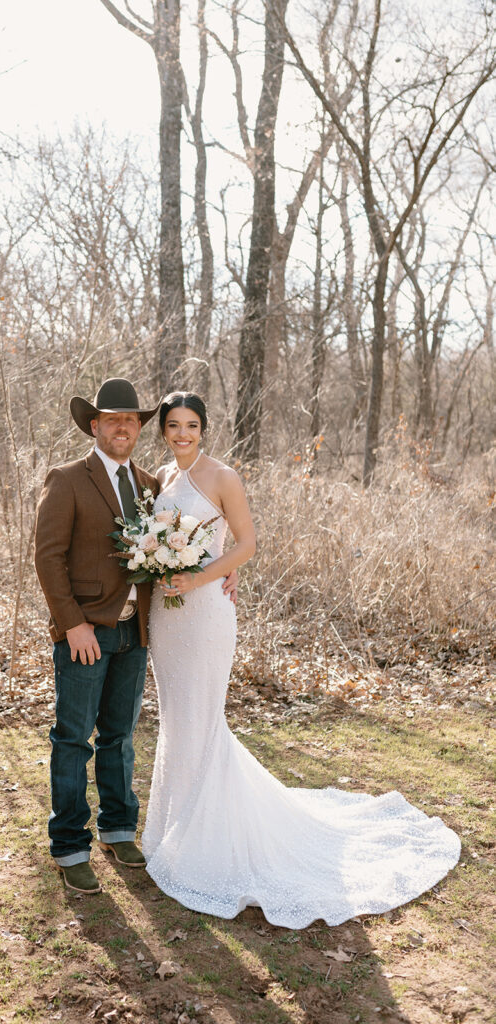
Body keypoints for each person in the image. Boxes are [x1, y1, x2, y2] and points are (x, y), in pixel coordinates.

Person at [142, 391, 461, 927]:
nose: (181, 434)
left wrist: (201, 576)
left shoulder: (223, 477)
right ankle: (172, 827)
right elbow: (153, 540)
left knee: (203, 718)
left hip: (203, 612)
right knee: (176, 718)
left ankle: (208, 841)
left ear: (205, 428)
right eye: (173, 425)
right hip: (165, 615)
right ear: (164, 432)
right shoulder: (161, 478)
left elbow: (246, 544)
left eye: (191, 425)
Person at [34, 378, 236, 895]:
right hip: (86, 633)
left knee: (120, 736)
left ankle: (119, 829)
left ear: (139, 429)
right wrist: (72, 624)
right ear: (95, 425)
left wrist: (222, 569)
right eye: (112, 419)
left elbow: (190, 537)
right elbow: (48, 558)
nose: (122, 427)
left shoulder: (150, 485)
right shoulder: (66, 478)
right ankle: (69, 845)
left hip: (137, 631)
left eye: (131, 420)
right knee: (73, 739)